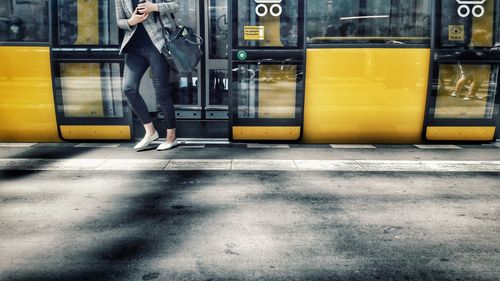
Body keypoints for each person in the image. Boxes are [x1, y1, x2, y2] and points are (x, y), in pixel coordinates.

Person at [115, 0, 180, 151]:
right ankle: (150, 131)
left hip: (158, 45)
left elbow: (176, 4)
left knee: (161, 92)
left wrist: (154, 7)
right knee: (128, 89)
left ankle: (171, 137)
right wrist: (131, 21)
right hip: (134, 47)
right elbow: (119, 21)